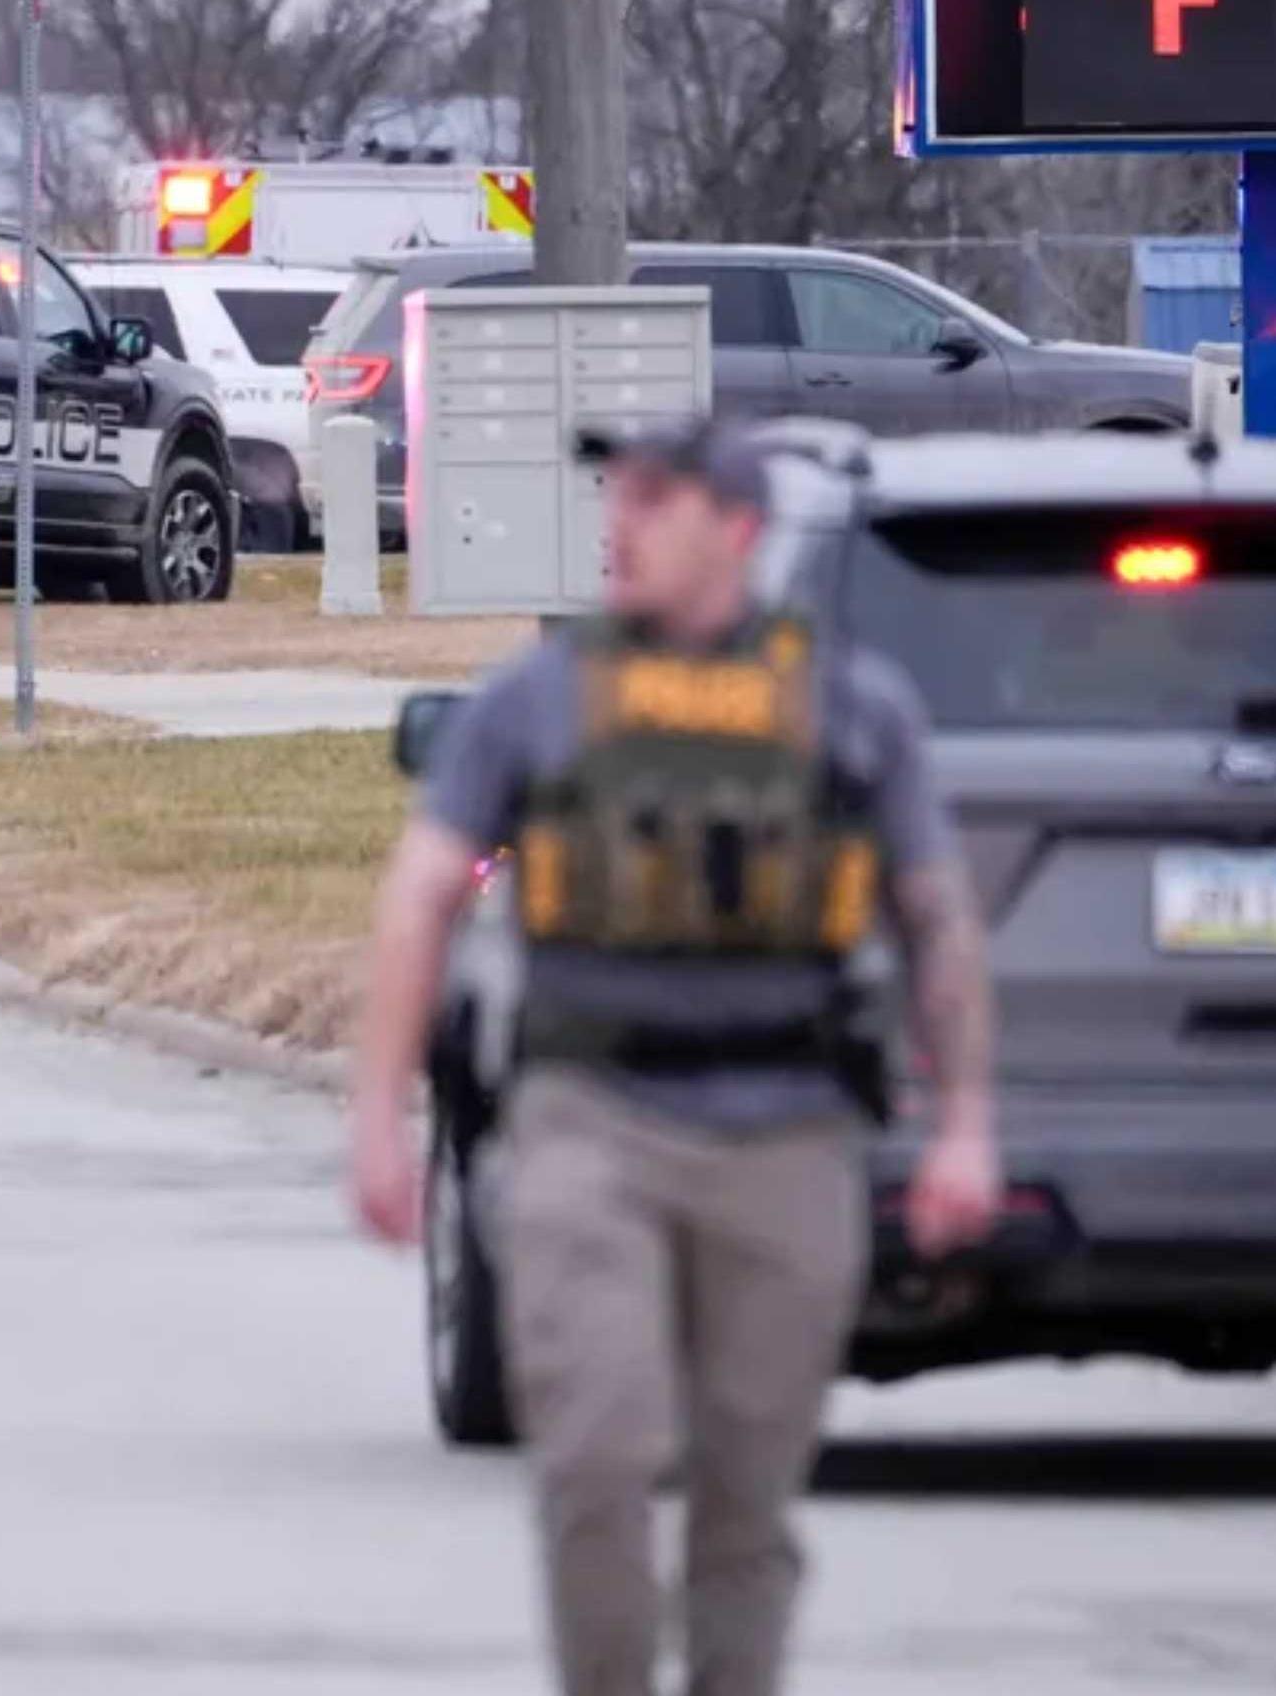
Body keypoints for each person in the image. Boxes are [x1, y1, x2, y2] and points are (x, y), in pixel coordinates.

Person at [341, 417, 1005, 1696]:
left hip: (791, 1135)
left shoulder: (846, 706)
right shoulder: (537, 698)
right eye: (616, 495)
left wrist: (965, 1121)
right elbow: (420, 894)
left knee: (745, 1499)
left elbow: (936, 917)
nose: (620, 521)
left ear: (739, 531)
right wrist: (380, 1113)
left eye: (656, 500)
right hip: (593, 1121)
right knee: (595, 1456)